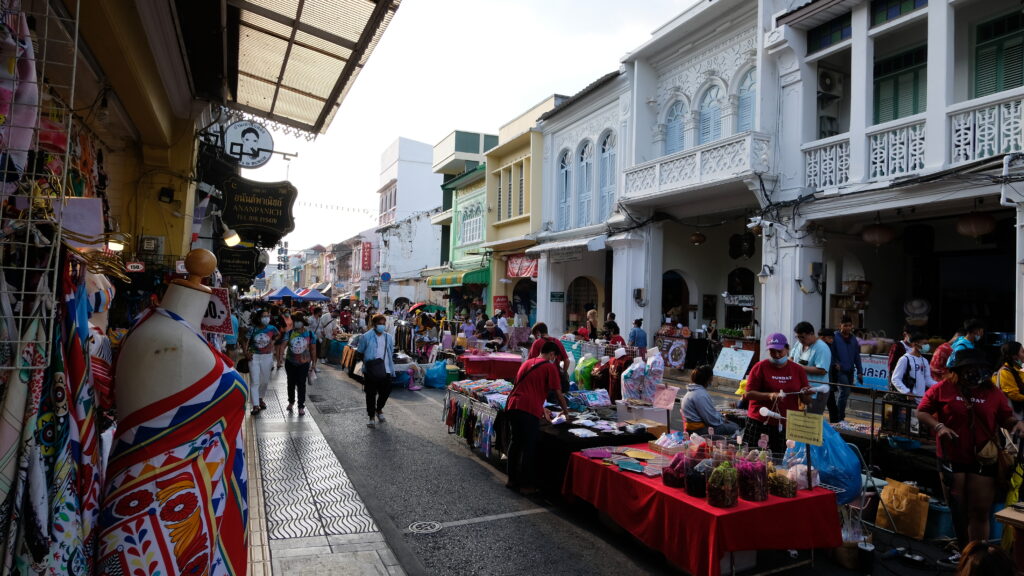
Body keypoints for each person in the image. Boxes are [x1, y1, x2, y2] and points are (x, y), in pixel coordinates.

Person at [917, 350, 1024, 559]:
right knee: (958, 511)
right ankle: (964, 552)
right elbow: (922, 411)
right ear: (958, 370)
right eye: (969, 369)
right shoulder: (942, 389)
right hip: (950, 458)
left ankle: (978, 555)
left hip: (983, 460)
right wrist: (939, 427)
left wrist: (1017, 423)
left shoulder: (993, 393)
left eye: (979, 369)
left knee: (980, 511)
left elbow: (1006, 418)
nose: (975, 373)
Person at [504, 341, 569, 495]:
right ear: (552, 354)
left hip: (513, 405)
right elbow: (558, 393)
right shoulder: (549, 367)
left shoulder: (527, 363)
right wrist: (566, 411)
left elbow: (528, 387)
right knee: (528, 446)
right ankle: (526, 485)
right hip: (528, 409)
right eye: (555, 356)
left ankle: (511, 480)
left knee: (515, 442)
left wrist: (542, 408)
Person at [741, 333, 812, 453]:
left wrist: (806, 394)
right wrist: (769, 395)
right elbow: (748, 394)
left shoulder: (798, 370)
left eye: (780, 351)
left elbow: (807, 400)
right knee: (756, 459)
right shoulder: (760, 367)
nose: (777, 355)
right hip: (761, 422)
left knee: (782, 460)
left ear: (787, 349)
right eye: (772, 352)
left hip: (788, 422)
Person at [356, 313, 395, 428]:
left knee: (386, 392)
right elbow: (360, 352)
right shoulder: (366, 337)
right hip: (371, 371)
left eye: (383, 324)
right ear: (374, 324)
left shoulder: (389, 337)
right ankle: (371, 416)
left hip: (386, 369)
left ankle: (379, 409)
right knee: (371, 394)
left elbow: (390, 352)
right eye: (379, 324)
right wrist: (368, 364)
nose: (382, 326)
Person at [790, 321, 833, 417]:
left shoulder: (822, 348)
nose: (800, 340)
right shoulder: (798, 344)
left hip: (815, 391)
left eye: (803, 337)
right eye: (798, 337)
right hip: (799, 389)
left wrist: (799, 368)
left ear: (811, 334)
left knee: (811, 421)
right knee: (797, 419)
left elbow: (822, 370)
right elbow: (791, 358)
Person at [682, 364, 738, 436]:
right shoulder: (700, 395)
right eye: (712, 378)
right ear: (709, 379)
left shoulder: (694, 392)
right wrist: (722, 419)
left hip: (696, 428)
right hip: (699, 430)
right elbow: (711, 420)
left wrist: (721, 417)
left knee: (729, 423)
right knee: (735, 427)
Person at [245, 308, 279, 414]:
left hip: (267, 357)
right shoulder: (252, 329)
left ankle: (260, 399)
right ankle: (255, 405)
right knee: (255, 381)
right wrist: (246, 352)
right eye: (264, 316)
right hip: (254, 357)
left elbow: (278, 335)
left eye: (268, 316)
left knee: (264, 381)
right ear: (259, 318)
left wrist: (273, 341)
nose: (266, 318)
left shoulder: (272, 328)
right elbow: (245, 340)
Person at [282, 312, 316, 416]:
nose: (296, 323)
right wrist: (280, 357)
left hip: (304, 363)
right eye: (295, 320)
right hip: (290, 362)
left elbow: (313, 349)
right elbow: (283, 345)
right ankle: (291, 401)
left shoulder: (309, 333)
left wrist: (314, 363)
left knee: (301, 383)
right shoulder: (290, 333)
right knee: (291, 383)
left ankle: (301, 406)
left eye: (298, 320)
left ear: (303, 322)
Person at [830, 317, 863, 422]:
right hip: (839, 371)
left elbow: (857, 356)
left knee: (845, 393)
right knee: (845, 391)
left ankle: (839, 415)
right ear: (840, 326)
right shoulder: (835, 337)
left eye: (849, 325)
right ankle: (840, 417)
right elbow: (830, 353)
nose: (848, 328)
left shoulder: (853, 339)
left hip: (850, 371)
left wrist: (860, 371)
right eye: (845, 326)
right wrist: (835, 363)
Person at [890, 332, 937, 399]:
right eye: (924, 344)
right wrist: (906, 392)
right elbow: (895, 379)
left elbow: (927, 380)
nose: (927, 346)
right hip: (909, 403)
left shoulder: (925, 361)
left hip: (921, 400)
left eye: (927, 344)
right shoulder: (905, 359)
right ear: (915, 344)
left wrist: (940, 385)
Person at [994, 341, 1024, 417]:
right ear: (1014, 356)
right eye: (1022, 352)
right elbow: (1013, 394)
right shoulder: (1005, 372)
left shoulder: (1017, 369)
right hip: (1014, 415)